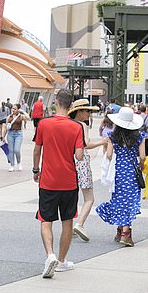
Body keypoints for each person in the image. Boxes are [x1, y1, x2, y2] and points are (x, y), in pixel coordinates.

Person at [33, 89, 84, 278]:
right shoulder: (77, 127)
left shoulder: (44, 124)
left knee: (46, 220)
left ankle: (50, 255)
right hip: (69, 182)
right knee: (67, 221)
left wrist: (35, 170)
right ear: (71, 106)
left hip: (48, 180)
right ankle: (62, 261)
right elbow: (79, 156)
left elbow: (37, 150)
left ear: (56, 102)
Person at [95, 106, 146, 247]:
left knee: (119, 200)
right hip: (131, 172)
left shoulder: (112, 137)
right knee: (129, 202)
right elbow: (142, 156)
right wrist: (141, 165)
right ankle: (125, 234)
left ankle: (119, 231)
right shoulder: (139, 137)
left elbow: (110, 155)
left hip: (118, 172)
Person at [67, 99, 106, 242]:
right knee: (89, 198)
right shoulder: (82, 125)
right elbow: (86, 144)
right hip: (81, 161)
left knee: (72, 196)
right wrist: (102, 142)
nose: (89, 114)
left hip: (68, 161)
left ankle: (69, 226)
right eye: (87, 111)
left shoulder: (68, 124)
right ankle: (80, 224)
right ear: (79, 112)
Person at [6, 103, 29, 171]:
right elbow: (6, 127)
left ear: (18, 110)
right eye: (12, 108)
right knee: (11, 150)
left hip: (18, 133)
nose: (13, 110)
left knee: (17, 150)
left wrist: (23, 111)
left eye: (15, 109)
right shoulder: (9, 117)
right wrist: (3, 136)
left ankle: (19, 162)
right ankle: (12, 165)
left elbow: (28, 118)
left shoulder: (20, 116)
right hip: (10, 133)